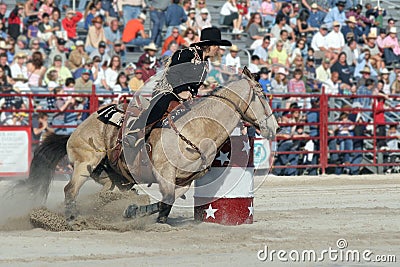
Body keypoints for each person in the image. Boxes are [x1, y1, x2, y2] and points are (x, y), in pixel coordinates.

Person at [125, 27, 232, 149]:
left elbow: (194, 86)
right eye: (216, 45)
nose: (218, 49)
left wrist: (194, 93)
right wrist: (181, 90)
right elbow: (173, 72)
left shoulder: (205, 64)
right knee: (162, 105)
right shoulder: (187, 53)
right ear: (208, 45)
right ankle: (135, 132)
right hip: (168, 89)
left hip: (187, 96)